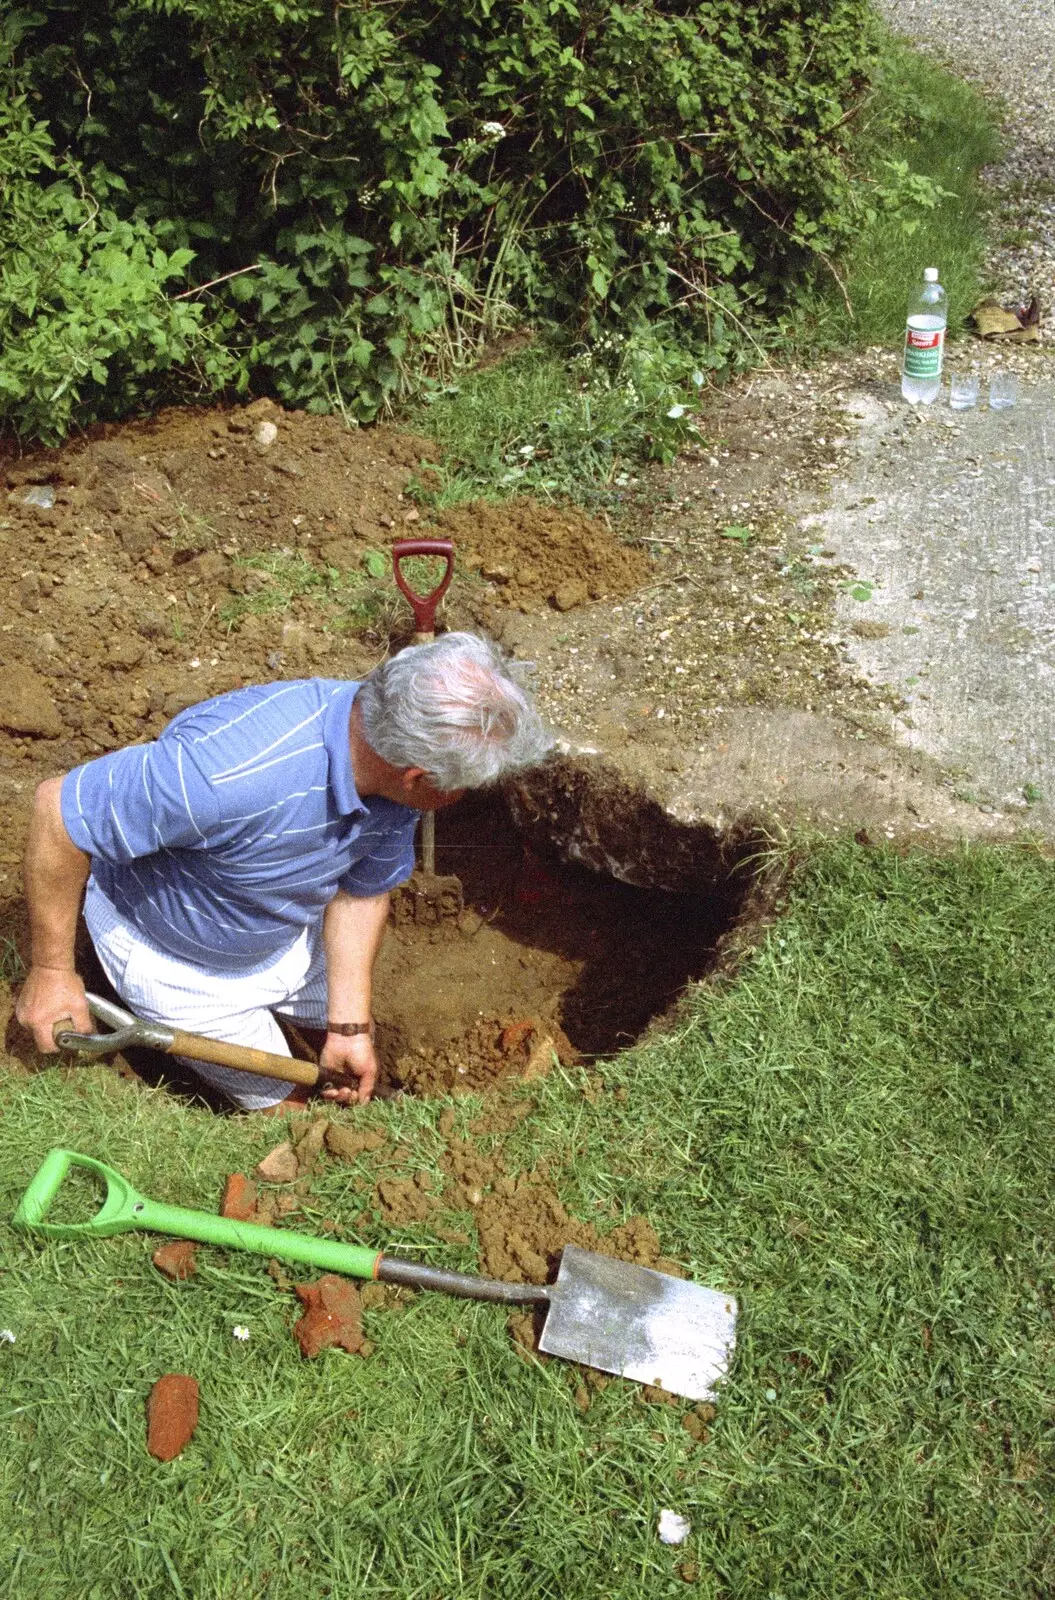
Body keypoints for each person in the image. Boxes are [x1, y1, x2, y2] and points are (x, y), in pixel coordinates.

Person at [16, 632, 552, 1112]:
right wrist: (51, 971)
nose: (459, 800)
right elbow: (58, 812)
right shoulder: (224, 777)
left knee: (356, 1050)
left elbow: (361, 892)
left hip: (286, 929)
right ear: (417, 777)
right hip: (174, 959)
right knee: (292, 1109)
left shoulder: (393, 743)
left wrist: (349, 1027)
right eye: (461, 789)